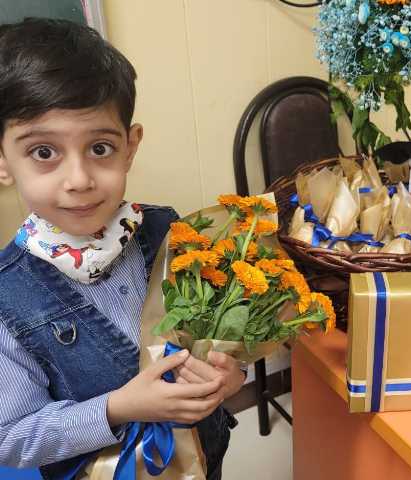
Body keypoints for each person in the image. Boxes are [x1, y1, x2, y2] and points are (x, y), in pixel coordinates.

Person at [0, 18, 245, 479]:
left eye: (100, 148)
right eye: (44, 152)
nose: (79, 180)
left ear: (130, 147)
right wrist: (117, 408)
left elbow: (216, 338)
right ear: (3, 160)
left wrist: (230, 374)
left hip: (206, 456)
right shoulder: (7, 295)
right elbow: (11, 436)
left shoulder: (170, 231)